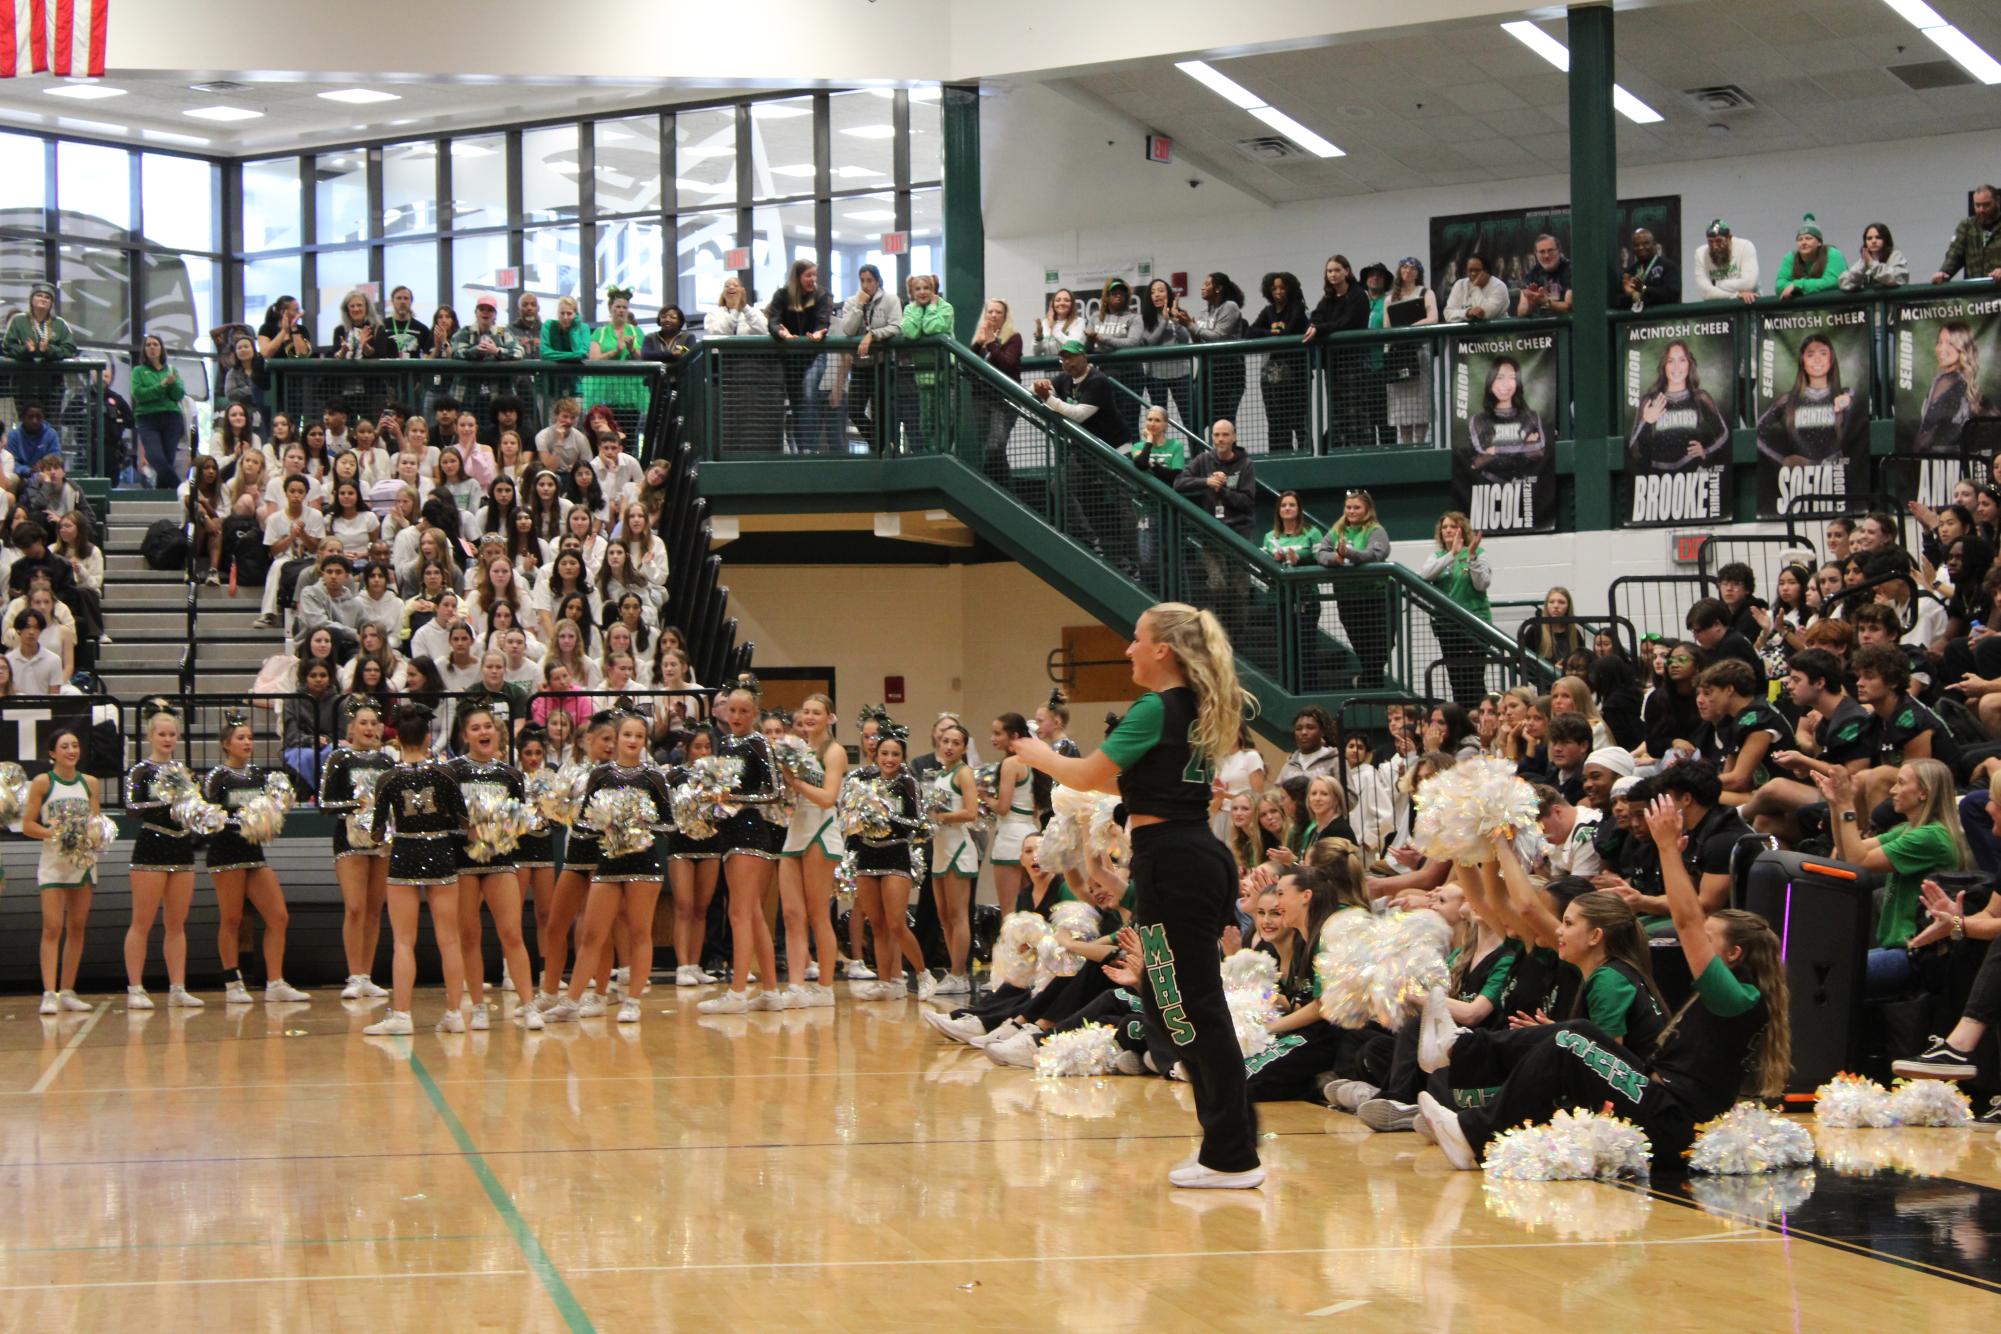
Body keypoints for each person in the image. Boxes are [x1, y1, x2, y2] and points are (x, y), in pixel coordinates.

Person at [1012, 603, 1262, 1187]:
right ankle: (1225, 1145)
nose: (1127, 649)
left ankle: (1233, 1154)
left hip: (1177, 861)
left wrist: (1035, 753)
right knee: (1169, 998)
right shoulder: (1188, 707)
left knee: (1191, 1006)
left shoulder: (1158, 706)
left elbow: (1086, 775)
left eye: (1135, 638)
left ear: (1162, 650)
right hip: (1178, 858)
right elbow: (1119, 781)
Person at [1412, 793, 1787, 1172]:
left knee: (1571, 1038)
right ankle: (1457, 1056)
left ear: (1735, 954)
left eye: (1711, 938)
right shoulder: (1737, 1000)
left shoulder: (1736, 1000)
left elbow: (1688, 920)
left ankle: (1468, 1121)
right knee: (1572, 1033)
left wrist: (1667, 850)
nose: (1696, 942)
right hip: (1659, 1102)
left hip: (1673, 1121)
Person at [361, 704, 472, 1036]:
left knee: (403, 942)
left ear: (397, 740)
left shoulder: (388, 778)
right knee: (449, 940)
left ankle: (402, 1016)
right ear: (428, 737)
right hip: (440, 852)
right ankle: (454, 1013)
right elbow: (465, 823)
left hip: (405, 854)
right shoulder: (445, 773)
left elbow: (377, 832)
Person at [1816, 758, 1965, 997]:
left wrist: (1847, 805)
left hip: (1915, 954)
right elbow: (1848, 852)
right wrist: (1836, 804)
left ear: (1923, 793)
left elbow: (1858, 862)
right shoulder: (1906, 830)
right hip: (1896, 947)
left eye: (1901, 783)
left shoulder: (1931, 837)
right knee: (1822, 972)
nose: (1893, 790)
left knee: (1831, 978)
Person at [448, 705, 547, 1029]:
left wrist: (504, 829)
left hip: (501, 861)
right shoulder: (452, 772)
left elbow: (519, 821)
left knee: (511, 934)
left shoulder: (510, 774)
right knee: (469, 935)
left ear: (496, 732)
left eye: (487, 726)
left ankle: (528, 1004)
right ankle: (477, 1007)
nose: (482, 732)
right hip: (463, 863)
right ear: (465, 736)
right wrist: (468, 830)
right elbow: (447, 820)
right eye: (475, 728)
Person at [695, 679, 790, 1013]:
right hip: (732, 833)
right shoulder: (727, 744)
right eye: (731, 710)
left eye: (743, 711)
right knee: (751, 913)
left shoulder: (757, 743)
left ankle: (737, 992)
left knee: (740, 912)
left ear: (755, 713)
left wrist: (731, 798)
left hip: (751, 832)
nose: (736, 716)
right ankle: (770, 991)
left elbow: (776, 792)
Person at [204, 712, 310, 1004]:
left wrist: (270, 818)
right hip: (226, 853)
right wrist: (239, 822)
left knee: (278, 916)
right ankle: (232, 981)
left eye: (250, 737)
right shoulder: (217, 777)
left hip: (253, 854)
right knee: (232, 918)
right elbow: (209, 817)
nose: (247, 742)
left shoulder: (258, 776)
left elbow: (271, 810)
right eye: (241, 738)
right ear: (226, 744)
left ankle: (275, 982)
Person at [124, 702, 204, 1009]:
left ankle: (178, 987)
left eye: (172, 734)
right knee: (141, 921)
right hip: (151, 845)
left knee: (176, 923)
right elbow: (131, 808)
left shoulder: (184, 771)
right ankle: (135, 987)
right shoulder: (141, 771)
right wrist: (166, 802)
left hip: (181, 845)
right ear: (150, 736)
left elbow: (194, 808)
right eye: (162, 734)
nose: (168, 739)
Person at [319, 696, 395, 1002]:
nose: (368, 728)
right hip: (349, 839)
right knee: (355, 908)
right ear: (351, 728)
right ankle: (354, 975)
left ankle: (367, 975)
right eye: (362, 723)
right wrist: (357, 805)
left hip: (380, 840)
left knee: (375, 909)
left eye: (373, 723)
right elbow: (324, 803)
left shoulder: (387, 761)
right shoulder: (339, 758)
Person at [23, 727, 100, 1014]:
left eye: (75, 745)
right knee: (53, 926)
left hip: (82, 863)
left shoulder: (90, 782)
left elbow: (96, 820)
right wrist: (51, 832)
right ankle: (49, 993)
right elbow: (28, 824)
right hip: (54, 863)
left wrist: (93, 834)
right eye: (65, 746)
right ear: (53, 753)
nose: (71, 750)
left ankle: (68, 990)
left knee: (77, 927)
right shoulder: (43, 782)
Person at [776, 693, 846, 1005]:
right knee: (792, 914)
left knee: (818, 914)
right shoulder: (796, 749)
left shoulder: (835, 751)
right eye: (805, 711)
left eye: (816, 712)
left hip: (820, 830)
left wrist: (797, 784)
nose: (809, 716)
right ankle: (796, 985)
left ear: (830, 718)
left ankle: (826, 988)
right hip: (796, 830)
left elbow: (829, 797)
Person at [1314, 489, 1393, 688]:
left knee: (1381, 646)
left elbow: (1374, 555)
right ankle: (1370, 684)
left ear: (1367, 509)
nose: (1351, 511)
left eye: (1356, 507)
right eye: (1348, 507)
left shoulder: (1376, 530)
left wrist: (1347, 553)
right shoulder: (1337, 529)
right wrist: (1336, 559)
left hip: (1376, 597)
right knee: (1362, 647)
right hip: (1348, 598)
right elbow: (1321, 552)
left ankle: (1367, 682)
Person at [1755, 334, 1866, 466]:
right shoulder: (1787, 400)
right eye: (1810, 355)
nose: (1817, 360)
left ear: (1831, 359)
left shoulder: (1847, 394)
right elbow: (1758, 433)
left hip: (1838, 478)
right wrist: (1783, 459)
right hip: (1799, 481)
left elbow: (1862, 428)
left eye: (1823, 353)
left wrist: (1849, 404)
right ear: (1803, 362)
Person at [1422, 511, 1493, 706]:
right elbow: (1425, 575)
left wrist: (1470, 557)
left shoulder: (1477, 552)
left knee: (1474, 679)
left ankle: (1479, 718)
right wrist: (1451, 554)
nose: (1448, 530)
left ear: (1462, 529)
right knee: (1457, 680)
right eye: (1444, 527)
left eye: (1453, 526)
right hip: (1448, 627)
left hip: (1475, 624)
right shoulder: (1437, 556)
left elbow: (1482, 584)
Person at [1627, 340, 1729, 471]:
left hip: (1692, 478)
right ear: (1664, 365)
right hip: (1657, 480)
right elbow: (1633, 449)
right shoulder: (1650, 400)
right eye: (1670, 361)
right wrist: (1646, 422)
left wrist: (1706, 451)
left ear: (1689, 364)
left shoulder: (1700, 398)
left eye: (1682, 360)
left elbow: (1724, 434)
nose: (1676, 367)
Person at [1304, 255, 1370, 447]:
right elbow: (1316, 316)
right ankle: (1339, 448)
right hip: (1334, 363)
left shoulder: (1358, 294)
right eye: (1329, 271)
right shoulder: (1329, 298)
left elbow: (1348, 322)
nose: (1333, 274)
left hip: (1355, 361)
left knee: (1356, 409)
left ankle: (1359, 448)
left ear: (1347, 271)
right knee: (1337, 409)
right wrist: (1314, 325)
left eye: (1337, 270)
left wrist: (1321, 329)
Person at [832, 265, 902, 446]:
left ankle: (883, 451)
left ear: (878, 281)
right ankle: (879, 443)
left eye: (869, 280)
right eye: (862, 280)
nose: (865, 285)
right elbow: (847, 329)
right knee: (854, 409)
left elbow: (896, 326)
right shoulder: (851, 301)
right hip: (859, 365)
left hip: (882, 364)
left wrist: (873, 335)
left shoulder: (891, 300)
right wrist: (859, 306)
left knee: (881, 411)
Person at [1247, 271, 1310, 451]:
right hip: (1272, 377)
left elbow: (1289, 331)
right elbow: (1250, 332)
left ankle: (1304, 453)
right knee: (1276, 419)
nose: (1278, 292)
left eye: (1282, 288)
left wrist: (1273, 333)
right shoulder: (1268, 312)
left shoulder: (1296, 308)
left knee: (1297, 419)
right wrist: (1270, 333)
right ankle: (1279, 453)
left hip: (1296, 373)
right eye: (1274, 288)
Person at [1379, 259, 1439, 443]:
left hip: (1420, 353)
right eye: (1404, 267)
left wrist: (1411, 327)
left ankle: (1420, 445)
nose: (1408, 270)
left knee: (1421, 406)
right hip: (1399, 355)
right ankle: (1406, 446)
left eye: (1413, 268)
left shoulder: (1426, 293)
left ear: (1419, 272)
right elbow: (1386, 328)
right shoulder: (1390, 298)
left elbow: (1433, 318)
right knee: (1402, 410)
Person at [1465, 357, 1545, 484]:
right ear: (1490, 382)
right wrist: (1524, 446)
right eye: (1500, 377)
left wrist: (1496, 450)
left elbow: (1538, 453)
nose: (1505, 384)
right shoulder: (1478, 420)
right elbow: (1477, 462)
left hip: (1528, 489)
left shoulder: (1532, 417)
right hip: (1489, 488)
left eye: (1512, 377)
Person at [1913, 321, 1989, 456]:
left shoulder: (1946, 380)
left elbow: (1926, 429)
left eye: (1950, 343)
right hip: (1961, 461)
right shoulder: (1966, 384)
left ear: (1962, 347)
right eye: (1939, 342)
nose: (1941, 348)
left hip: (1937, 461)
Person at [1183, 272, 1247, 424]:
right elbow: (1200, 343)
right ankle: (1201, 449)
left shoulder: (1230, 307)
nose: (1202, 288)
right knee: (1196, 419)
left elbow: (1219, 336)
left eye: (1207, 285)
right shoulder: (1203, 312)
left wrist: (1191, 326)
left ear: (1218, 288)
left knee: (1223, 422)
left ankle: (1230, 448)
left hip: (1228, 372)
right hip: (1206, 371)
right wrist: (1189, 327)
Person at [1174, 420, 1255, 538]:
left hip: (1239, 531)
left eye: (1225, 434)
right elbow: (1178, 483)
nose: (1220, 439)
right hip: (1212, 530)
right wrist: (1207, 481)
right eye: (1216, 435)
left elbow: (1247, 502)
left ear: (1234, 437)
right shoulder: (1203, 459)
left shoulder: (1245, 464)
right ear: (1212, 437)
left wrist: (1222, 489)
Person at [130, 334, 187, 489]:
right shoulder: (138, 371)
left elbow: (178, 394)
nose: (152, 347)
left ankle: (164, 498)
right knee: (156, 457)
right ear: (144, 350)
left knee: (168, 459)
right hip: (147, 419)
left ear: (161, 348)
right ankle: (182, 489)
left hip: (171, 418)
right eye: (148, 345)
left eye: (155, 344)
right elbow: (140, 394)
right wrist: (162, 386)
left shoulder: (171, 370)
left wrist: (172, 384)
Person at [1929, 183, 2001, 284]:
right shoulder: (1967, 226)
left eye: (1986, 205)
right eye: (1977, 205)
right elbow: (1954, 254)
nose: (1981, 210)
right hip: (1976, 292)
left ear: (1997, 201)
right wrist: (1943, 273)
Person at [1773, 214, 1845, 300]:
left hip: (1835, 307)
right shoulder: (1791, 257)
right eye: (1800, 239)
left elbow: (1833, 281)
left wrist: (1798, 285)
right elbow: (1779, 285)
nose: (1803, 242)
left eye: (1808, 238)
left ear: (1819, 242)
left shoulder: (1832, 253)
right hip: (1803, 311)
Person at [4, 282, 77, 362]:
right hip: (23, 372)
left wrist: (48, 350)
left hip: (52, 372)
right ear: (31, 300)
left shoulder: (59, 323)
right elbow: (8, 348)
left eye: (47, 297)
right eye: (39, 296)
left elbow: (70, 350)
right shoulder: (18, 320)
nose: (43, 299)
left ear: (51, 303)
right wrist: (26, 349)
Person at [1692, 218, 1759, 302]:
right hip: (1718, 310)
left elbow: (1749, 284)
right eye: (1710, 242)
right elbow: (1705, 292)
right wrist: (1736, 295)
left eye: (1719, 241)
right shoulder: (1700, 254)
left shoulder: (1745, 247)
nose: (1715, 246)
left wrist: (1718, 284)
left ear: (1729, 237)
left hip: (1748, 305)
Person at [1618, 228, 1679, 310]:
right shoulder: (1629, 273)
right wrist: (1633, 295)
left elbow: (1672, 295)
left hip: (1661, 319)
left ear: (1654, 244)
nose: (1640, 247)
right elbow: (1617, 301)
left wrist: (1643, 289)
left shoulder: (1668, 266)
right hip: (1635, 321)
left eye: (1645, 243)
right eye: (1636, 245)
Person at [1514, 234, 1574, 317]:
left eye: (1550, 250)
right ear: (1536, 254)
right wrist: (1532, 302)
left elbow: (1568, 306)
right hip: (1542, 327)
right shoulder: (1532, 275)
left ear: (1559, 251)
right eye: (1542, 252)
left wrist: (1545, 302)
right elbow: (1521, 312)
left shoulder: (1571, 270)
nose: (1546, 256)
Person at [1839, 221, 1908, 290]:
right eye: (1869, 238)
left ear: (1886, 239)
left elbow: (1899, 278)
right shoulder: (1864, 260)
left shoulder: (1895, 255)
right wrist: (1863, 267)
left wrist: (1872, 264)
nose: (1873, 241)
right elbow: (1844, 283)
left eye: (1878, 237)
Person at [450, 296, 522, 361]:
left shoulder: (501, 331)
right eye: (481, 309)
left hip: (497, 375)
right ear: (475, 313)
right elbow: (455, 352)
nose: (485, 312)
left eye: (490, 310)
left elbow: (518, 352)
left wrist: (497, 351)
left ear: (495, 315)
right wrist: (475, 351)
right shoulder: (466, 331)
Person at [1443, 253, 1507, 323]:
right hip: (1463, 332)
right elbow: (1448, 314)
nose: (1473, 273)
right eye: (1470, 270)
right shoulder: (1459, 284)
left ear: (1486, 271)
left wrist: (1475, 287)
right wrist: (1467, 313)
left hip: (1494, 331)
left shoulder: (1499, 286)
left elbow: (1486, 314)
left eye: (1477, 270)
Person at [5, 403, 62, 477]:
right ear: (23, 418)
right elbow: (11, 462)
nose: (34, 420)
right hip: (20, 476)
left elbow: (55, 458)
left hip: (44, 474)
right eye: (30, 417)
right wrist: (28, 470)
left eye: (38, 417)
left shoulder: (51, 434)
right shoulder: (13, 435)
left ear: (43, 418)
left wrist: (44, 465)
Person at [328, 289, 387, 360]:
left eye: (359, 305)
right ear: (347, 310)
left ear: (367, 308)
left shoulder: (377, 329)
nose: (356, 309)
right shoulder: (340, 330)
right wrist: (343, 352)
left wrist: (365, 347)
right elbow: (335, 360)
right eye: (352, 306)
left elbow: (380, 357)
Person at [380, 286, 432, 358]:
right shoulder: (382, 326)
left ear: (411, 301)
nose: (402, 302)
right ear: (392, 301)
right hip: (389, 368)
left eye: (406, 298)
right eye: (399, 298)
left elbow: (428, 355)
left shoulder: (422, 329)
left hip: (413, 368)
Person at [1032, 287, 1087, 356]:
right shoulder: (1045, 323)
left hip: (1069, 365)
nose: (1062, 303)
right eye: (1058, 300)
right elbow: (1036, 353)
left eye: (1066, 300)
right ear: (1052, 304)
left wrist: (1053, 327)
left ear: (1072, 304)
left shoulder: (1079, 322)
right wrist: (1039, 337)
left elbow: (1073, 347)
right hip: (1049, 365)